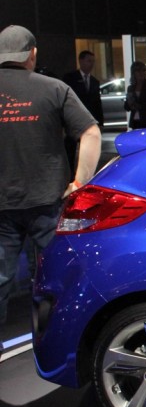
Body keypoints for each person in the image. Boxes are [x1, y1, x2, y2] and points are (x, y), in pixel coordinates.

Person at [0, 25, 101, 332]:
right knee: (57, 274)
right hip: (49, 200)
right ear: (32, 53)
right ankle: (58, 339)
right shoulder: (54, 88)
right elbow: (90, 132)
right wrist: (79, 182)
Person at [124, 60, 146, 129]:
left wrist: (140, 106)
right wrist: (129, 103)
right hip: (135, 121)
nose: (141, 73)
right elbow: (127, 107)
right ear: (134, 73)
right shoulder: (131, 88)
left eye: (143, 70)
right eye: (138, 71)